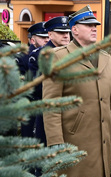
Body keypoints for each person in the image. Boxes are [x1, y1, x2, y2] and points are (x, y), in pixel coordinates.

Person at [42, 5, 111, 177]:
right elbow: (51, 104)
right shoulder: (59, 57)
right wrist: (55, 143)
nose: (94, 28)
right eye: (88, 25)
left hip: (100, 143)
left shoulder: (105, 58)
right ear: (75, 30)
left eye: (95, 25)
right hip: (74, 143)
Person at [28, 16, 71, 146]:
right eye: (61, 32)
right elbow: (37, 88)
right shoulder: (39, 55)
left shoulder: (72, 53)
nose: (66, 36)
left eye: (67, 32)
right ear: (50, 34)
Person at [18, 22, 49, 139]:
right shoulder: (23, 57)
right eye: (42, 37)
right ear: (32, 40)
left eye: (48, 37)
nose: (46, 40)